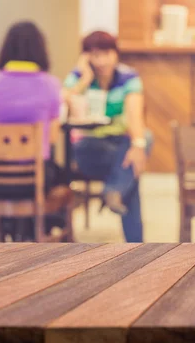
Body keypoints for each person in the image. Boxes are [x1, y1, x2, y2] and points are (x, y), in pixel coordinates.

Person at [63, 31, 150, 243]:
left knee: (143, 140)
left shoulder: (128, 77)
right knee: (129, 168)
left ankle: (113, 190)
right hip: (88, 148)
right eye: (94, 55)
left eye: (106, 53)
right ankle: (136, 244)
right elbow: (61, 106)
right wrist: (85, 80)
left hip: (118, 144)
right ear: (86, 57)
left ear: (116, 54)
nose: (100, 60)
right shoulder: (77, 77)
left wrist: (139, 145)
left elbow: (134, 114)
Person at [0, 21, 72, 239]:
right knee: (58, 175)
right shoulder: (50, 85)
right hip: (33, 180)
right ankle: (37, 235)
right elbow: (54, 138)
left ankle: (10, 231)